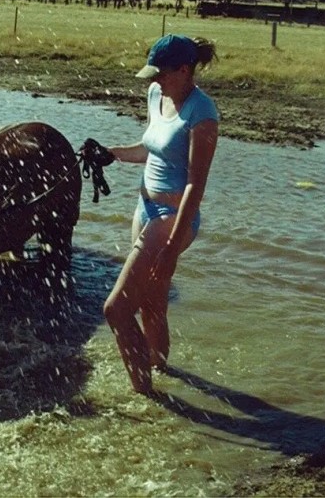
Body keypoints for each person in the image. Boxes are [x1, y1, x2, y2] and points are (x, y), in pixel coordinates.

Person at [102, 33, 219, 396]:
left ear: (184, 70)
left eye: (162, 74)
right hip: (145, 209)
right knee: (152, 305)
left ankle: (146, 397)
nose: (155, 81)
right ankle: (159, 372)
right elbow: (150, 149)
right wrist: (112, 153)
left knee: (116, 309)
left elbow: (195, 185)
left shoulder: (202, 114)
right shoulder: (157, 95)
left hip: (173, 217)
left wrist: (170, 249)